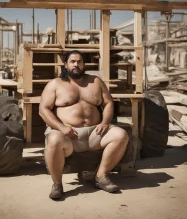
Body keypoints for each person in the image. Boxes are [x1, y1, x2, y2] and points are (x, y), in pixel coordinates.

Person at [39, 50, 129, 199]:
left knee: (120, 135)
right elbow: (43, 109)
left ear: (84, 64)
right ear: (65, 64)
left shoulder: (95, 81)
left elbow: (108, 103)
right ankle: (57, 184)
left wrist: (106, 122)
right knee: (54, 139)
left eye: (79, 61)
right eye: (72, 61)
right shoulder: (56, 84)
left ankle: (101, 176)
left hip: (95, 133)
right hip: (68, 135)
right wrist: (62, 128)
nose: (76, 65)